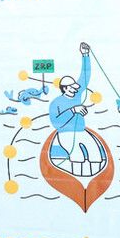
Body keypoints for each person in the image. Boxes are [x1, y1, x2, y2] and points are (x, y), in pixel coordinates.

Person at [48, 42, 99, 176]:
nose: (75, 89)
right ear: (64, 88)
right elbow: (55, 122)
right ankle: (78, 178)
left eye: (75, 87)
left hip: (82, 131)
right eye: (71, 87)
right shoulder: (56, 103)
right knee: (77, 157)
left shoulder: (77, 96)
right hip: (65, 134)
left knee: (95, 154)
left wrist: (85, 55)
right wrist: (73, 110)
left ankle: (92, 179)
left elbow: (85, 76)